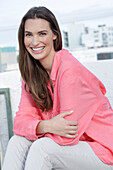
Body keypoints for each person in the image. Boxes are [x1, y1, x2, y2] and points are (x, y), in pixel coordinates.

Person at [2, 6, 113, 170]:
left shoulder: (69, 70)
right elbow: (20, 123)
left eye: (42, 33)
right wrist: (45, 126)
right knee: (17, 141)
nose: (34, 42)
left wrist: (35, 127)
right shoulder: (32, 75)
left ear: (55, 34)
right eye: (29, 34)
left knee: (43, 148)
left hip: (102, 151)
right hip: (72, 149)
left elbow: (67, 134)